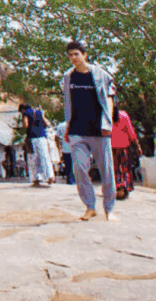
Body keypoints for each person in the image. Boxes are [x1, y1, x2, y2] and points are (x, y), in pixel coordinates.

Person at [62, 40, 117, 221]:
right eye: (70, 55)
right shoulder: (68, 77)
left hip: (99, 129)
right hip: (77, 129)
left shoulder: (100, 74)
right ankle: (90, 207)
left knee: (106, 170)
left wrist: (108, 123)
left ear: (84, 55)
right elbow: (68, 103)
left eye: (76, 54)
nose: (73, 58)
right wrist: (67, 125)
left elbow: (109, 98)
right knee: (79, 167)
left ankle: (109, 209)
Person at [110, 100, 141, 199]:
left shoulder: (105, 116)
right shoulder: (124, 115)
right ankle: (124, 187)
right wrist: (138, 146)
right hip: (124, 149)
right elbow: (131, 132)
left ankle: (116, 187)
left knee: (114, 169)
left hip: (111, 149)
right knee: (125, 170)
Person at [19, 103, 55, 186]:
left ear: (22, 109)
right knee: (45, 156)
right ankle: (50, 176)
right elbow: (46, 123)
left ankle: (37, 178)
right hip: (42, 137)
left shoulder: (26, 113)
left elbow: (26, 124)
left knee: (34, 158)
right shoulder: (38, 112)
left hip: (33, 138)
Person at [54, 119, 74, 184]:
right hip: (75, 147)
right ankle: (73, 180)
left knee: (68, 165)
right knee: (75, 165)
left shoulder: (60, 125)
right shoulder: (75, 123)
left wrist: (58, 146)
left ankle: (70, 180)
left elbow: (56, 137)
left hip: (65, 148)